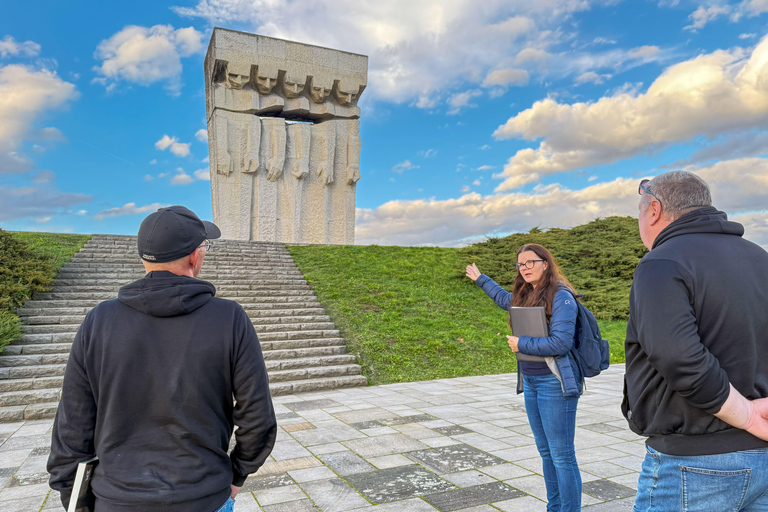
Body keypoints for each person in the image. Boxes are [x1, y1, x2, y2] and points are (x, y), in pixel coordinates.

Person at [47, 206, 277, 512]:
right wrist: (238, 474)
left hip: (117, 499)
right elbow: (258, 418)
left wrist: (74, 498)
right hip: (204, 496)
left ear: (144, 258)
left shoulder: (99, 320)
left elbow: (73, 421)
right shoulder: (230, 318)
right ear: (196, 256)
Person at [625, 171, 768, 511]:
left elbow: (679, 356)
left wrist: (746, 414)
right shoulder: (760, 258)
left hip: (696, 464)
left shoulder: (661, 262)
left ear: (654, 210)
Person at [467, 244, 583, 512]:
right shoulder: (526, 294)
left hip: (554, 384)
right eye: (520, 264)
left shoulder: (561, 296)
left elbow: (561, 343)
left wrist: (523, 345)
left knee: (562, 456)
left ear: (546, 263)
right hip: (531, 383)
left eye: (531, 262)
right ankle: (555, 508)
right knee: (546, 453)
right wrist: (481, 279)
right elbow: (502, 298)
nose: (525, 268)